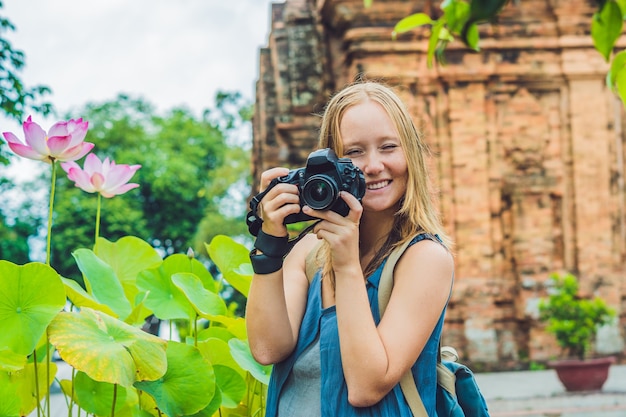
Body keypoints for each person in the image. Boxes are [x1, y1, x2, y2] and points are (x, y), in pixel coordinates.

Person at [245, 81, 454, 416]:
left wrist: (346, 266)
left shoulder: (424, 259)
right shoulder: (311, 250)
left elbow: (366, 386)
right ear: (328, 163)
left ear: (410, 154)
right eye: (354, 152)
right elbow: (268, 348)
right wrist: (269, 242)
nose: (372, 166)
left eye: (388, 147)